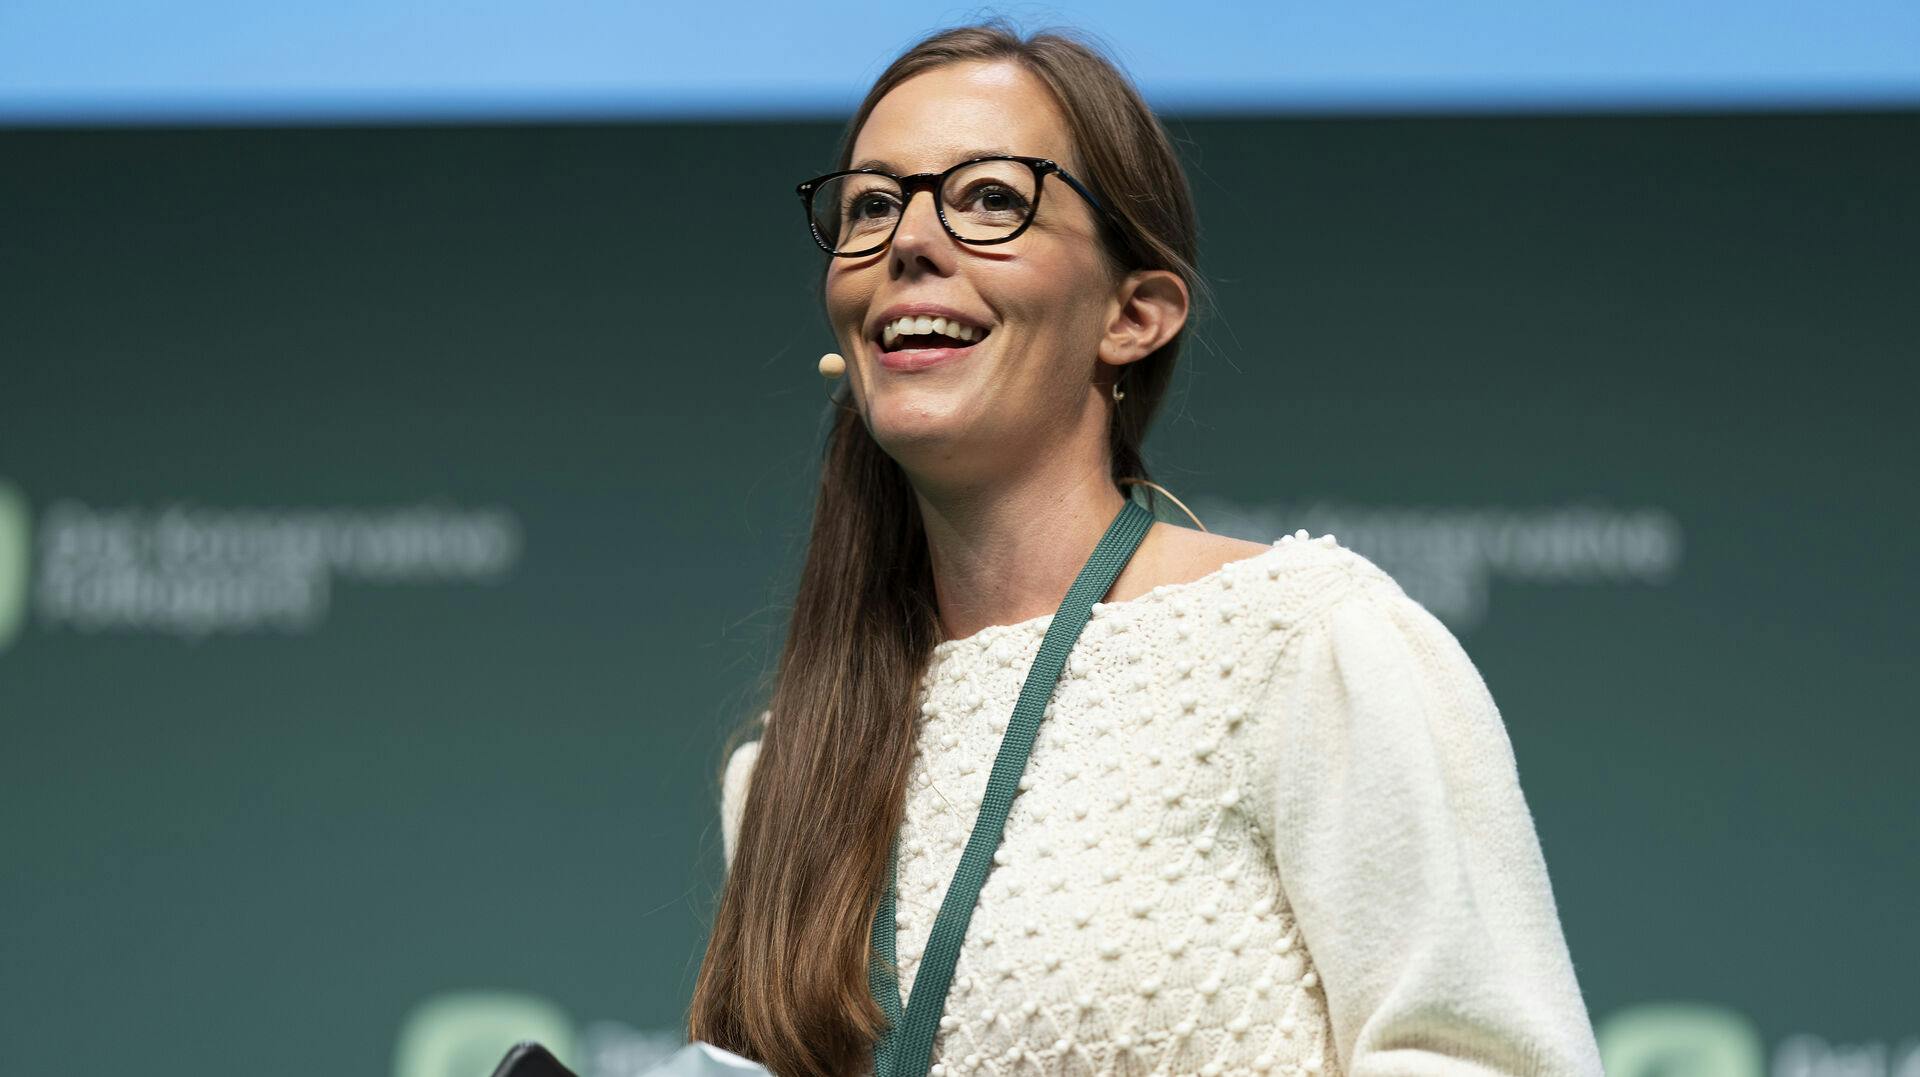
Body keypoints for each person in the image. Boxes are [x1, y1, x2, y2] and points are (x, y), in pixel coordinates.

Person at [688, 21, 1603, 1077]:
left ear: (1134, 315)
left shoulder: (1300, 646)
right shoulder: (786, 766)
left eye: (991, 197)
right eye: (872, 205)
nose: (909, 241)